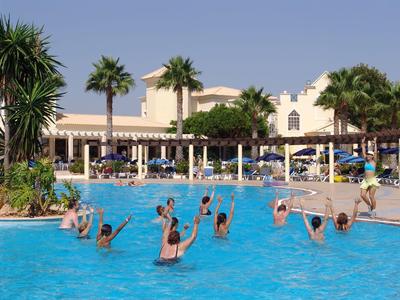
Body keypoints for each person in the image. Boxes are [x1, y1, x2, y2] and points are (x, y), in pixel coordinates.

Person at [360, 137, 380, 217]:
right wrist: (362, 144)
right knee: (362, 195)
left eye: (369, 155)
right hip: (365, 181)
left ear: (372, 156)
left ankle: (373, 211)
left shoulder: (374, 161)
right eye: (367, 154)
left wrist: (375, 143)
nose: (368, 155)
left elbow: (375, 152)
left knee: (371, 196)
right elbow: (363, 151)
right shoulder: (366, 161)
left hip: (372, 180)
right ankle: (369, 206)